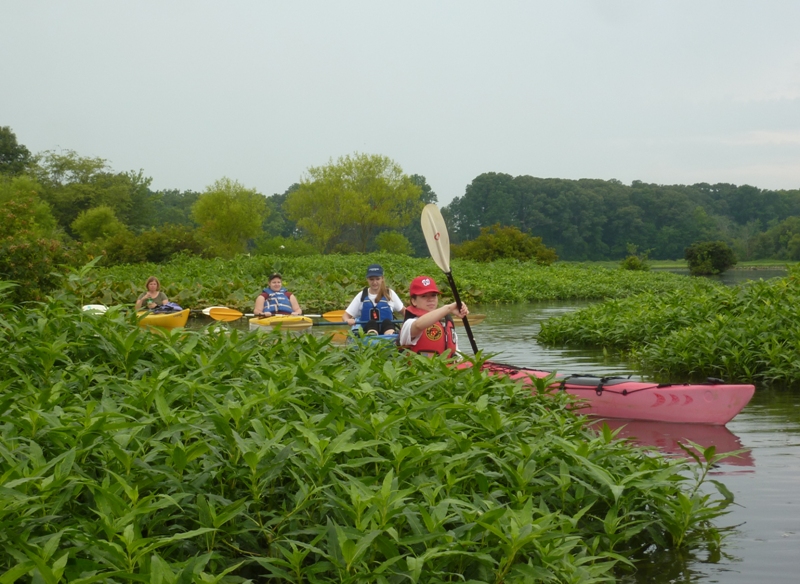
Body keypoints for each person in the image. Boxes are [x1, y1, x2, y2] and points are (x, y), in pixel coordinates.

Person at [398, 275, 469, 357]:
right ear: (414, 301)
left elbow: (456, 352)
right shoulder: (409, 323)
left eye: (433, 295)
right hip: (419, 369)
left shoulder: (445, 324)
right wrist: (448, 308)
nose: (430, 299)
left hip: (446, 368)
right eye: (424, 296)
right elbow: (418, 325)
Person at [343, 264, 404, 335]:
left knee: (387, 322)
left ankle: (389, 337)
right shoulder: (362, 295)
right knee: (371, 322)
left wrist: (406, 324)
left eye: (377, 279)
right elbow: (345, 316)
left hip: (387, 329)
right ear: (367, 279)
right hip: (367, 331)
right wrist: (347, 320)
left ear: (382, 279)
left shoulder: (390, 294)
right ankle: (372, 336)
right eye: (371, 279)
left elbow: (405, 312)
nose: (374, 282)